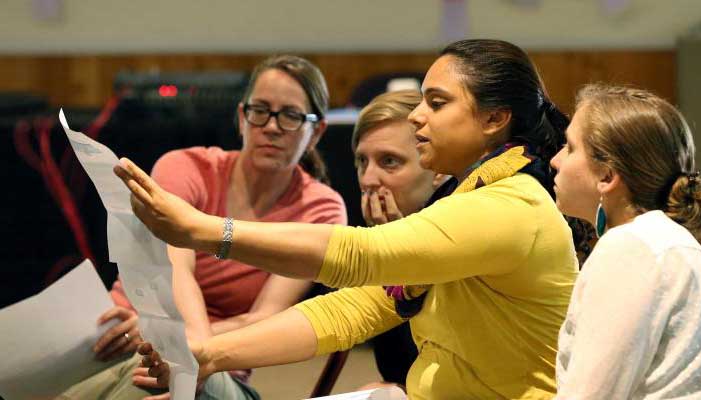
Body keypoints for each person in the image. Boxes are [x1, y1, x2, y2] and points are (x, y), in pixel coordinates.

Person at [118, 39, 580, 399]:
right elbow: (353, 307)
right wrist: (210, 354)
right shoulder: (470, 198)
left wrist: (203, 231)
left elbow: (363, 254)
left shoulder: (510, 204)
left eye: (437, 104)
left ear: (495, 118)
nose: (418, 116)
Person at [59, 55, 347, 400]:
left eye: (290, 116)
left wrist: (173, 340)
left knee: (157, 379)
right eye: (260, 111)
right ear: (242, 117)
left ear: (316, 131)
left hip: (218, 367)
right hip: (117, 336)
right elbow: (176, 269)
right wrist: (161, 335)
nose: (271, 126)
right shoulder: (187, 168)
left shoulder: (321, 209)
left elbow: (266, 319)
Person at [550, 84, 701, 399]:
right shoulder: (672, 248)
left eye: (570, 148)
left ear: (607, 176)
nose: (556, 160)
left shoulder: (632, 249)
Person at [352, 89, 448, 389]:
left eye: (389, 161)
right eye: (362, 161)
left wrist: (399, 259)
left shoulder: (459, 236)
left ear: (437, 169)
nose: (368, 179)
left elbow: (433, 369)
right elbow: (395, 369)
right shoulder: (375, 232)